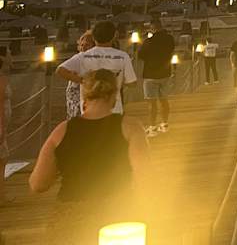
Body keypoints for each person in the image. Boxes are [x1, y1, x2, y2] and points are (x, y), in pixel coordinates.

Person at [29, 69, 150, 242]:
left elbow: (37, 184)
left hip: (69, 220)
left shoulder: (62, 131)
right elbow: (145, 177)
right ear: (114, 95)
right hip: (115, 215)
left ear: (84, 96)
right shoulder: (130, 127)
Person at [56, 21, 137, 115]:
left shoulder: (83, 56)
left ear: (94, 37)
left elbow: (60, 70)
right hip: (114, 111)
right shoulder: (122, 56)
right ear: (114, 36)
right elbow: (132, 83)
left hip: (89, 111)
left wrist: (83, 80)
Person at [137, 16, 176, 137]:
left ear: (152, 28)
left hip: (151, 74)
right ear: (161, 26)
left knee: (152, 103)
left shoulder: (148, 42)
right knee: (164, 100)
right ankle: (164, 124)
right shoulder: (169, 39)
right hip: (165, 73)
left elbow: (141, 55)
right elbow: (171, 50)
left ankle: (152, 127)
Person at [65, 30, 96, 119]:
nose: (83, 47)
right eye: (82, 45)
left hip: (86, 95)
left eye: (87, 45)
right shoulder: (78, 58)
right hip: (74, 94)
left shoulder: (95, 59)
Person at [0, 46, 12, 205]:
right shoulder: (1, 79)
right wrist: (2, 128)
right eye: (8, 54)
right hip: (0, 125)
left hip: (3, 125)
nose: (11, 56)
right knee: (2, 160)